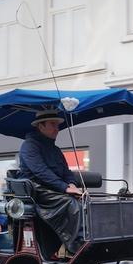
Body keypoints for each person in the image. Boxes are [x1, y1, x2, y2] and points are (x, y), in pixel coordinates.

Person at [18, 109, 84, 255]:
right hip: (37, 192)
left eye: (57, 124)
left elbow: (66, 172)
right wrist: (65, 188)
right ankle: (77, 246)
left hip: (54, 190)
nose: (57, 128)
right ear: (40, 126)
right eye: (53, 124)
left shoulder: (55, 149)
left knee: (87, 201)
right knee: (71, 203)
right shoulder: (29, 146)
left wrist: (72, 184)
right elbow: (41, 172)